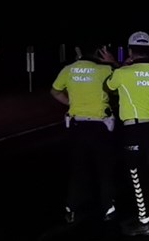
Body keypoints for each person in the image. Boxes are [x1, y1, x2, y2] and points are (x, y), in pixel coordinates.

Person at [105, 31, 149, 236]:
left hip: (133, 129)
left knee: (136, 175)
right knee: (148, 173)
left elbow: (108, 86)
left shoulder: (123, 73)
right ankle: (147, 213)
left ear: (130, 51)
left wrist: (122, 65)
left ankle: (145, 221)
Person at [50, 44, 117, 224]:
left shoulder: (68, 70)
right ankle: (108, 209)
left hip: (77, 125)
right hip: (100, 126)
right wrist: (113, 63)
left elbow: (55, 91)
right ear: (98, 53)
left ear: (78, 52)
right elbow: (120, 84)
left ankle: (70, 208)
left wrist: (71, 102)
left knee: (78, 169)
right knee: (104, 169)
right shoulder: (105, 70)